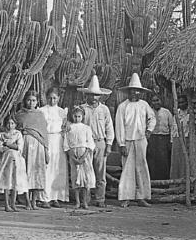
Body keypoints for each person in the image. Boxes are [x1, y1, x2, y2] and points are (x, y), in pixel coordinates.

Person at [115, 73, 156, 208]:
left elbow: (152, 118)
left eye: (137, 91)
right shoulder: (123, 106)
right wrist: (121, 144)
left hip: (141, 140)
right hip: (127, 140)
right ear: (128, 92)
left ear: (140, 93)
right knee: (127, 169)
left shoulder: (144, 105)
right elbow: (119, 126)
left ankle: (141, 197)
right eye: (132, 90)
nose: (134, 93)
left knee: (141, 167)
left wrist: (149, 130)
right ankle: (126, 197)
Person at [79, 74, 114, 208]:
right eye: (91, 95)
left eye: (96, 95)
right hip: (86, 143)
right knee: (86, 171)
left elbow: (109, 127)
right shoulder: (82, 109)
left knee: (100, 172)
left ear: (100, 96)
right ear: (87, 95)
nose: (93, 98)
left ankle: (100, 199)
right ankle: (85, 200)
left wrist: (109, 144)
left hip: (100, 142)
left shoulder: (104, 109)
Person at [14, 91, 50, 210]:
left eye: (34, 100)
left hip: (38, 146)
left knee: (36, 172)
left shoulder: (40, 115)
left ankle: (34, 200)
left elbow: (44, 134)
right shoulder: (20, 114)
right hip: (24, 144)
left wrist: (46, 150)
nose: (31, 103)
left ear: (37, 102)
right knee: (26, 171)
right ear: (25, 101)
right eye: (29, 100)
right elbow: (16, 130)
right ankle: (27, 201)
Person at [38, 87, 70, 208]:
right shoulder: (42, 111)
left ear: (58, 98)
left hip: (59, 141)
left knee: (58, 168)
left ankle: (56, 197)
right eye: (50, 98)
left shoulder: (62, 112)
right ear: (46, 98)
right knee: (47, 168)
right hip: (47, 139)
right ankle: (44, 198)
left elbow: (65, 127)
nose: (52, 100)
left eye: (55, 98)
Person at [0, 114, 29, 212]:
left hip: (17, 160)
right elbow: (0, 149)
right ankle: (7, 204)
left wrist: (8, 144)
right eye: (8, 123)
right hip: (7, 160)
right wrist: (12, 146)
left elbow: (20, 147)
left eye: (12, 123)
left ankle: (13, 204)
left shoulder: (18, 134)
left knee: (15, 181)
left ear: (15, 125)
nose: (10, 125)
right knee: (7, 181)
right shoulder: (1, 135)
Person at [64, 105, 96, 209]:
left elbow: (91, 144)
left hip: (84, 154)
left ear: (82, 117)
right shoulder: (69, 128)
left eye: (79, 116)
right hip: (74, 153)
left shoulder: (86, 128)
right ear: (72, 116)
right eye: (75, 116)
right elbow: (66, 144)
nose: (77, 118)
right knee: (75, 177)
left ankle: (85, 202)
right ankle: (77, 202)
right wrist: (72, 156)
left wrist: (84, 156)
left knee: (86, 179)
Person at [146, 94, 175, 180]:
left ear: (161, 101)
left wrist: (171, 140)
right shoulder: (148, 112)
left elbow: (172, 127)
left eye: (157, 100)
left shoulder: (167, 112)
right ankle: (152, 182)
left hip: (164, 139)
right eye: (154, 101)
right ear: (151, 102)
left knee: (164, 161)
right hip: (152, 139)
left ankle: (164, 182)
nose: (156, 102)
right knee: (151, 160)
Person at [170, 96, 190, 180]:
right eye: (180, 103)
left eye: (183, 102)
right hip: (176, 139)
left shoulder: (190, 114)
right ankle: (174, 182)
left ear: (187, 102)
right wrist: (171, 140)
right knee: (175, 162)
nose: (181, 104)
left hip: (186, 139)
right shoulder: (176, 113)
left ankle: (184, 181)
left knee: (184, 162)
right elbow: (172, 128)